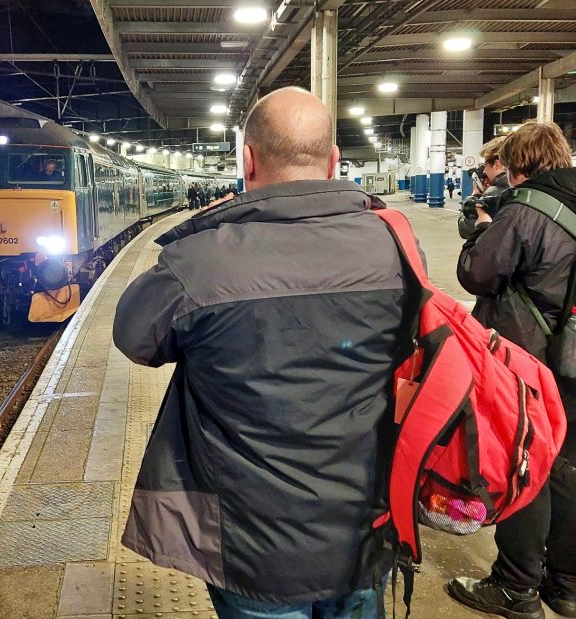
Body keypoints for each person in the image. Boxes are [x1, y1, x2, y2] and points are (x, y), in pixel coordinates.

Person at [113, 86, 410, 618]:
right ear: (334, 162)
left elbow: (135, 337)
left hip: (248, 544)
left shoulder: (202, 260)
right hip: (367, 525)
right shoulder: (395, 246)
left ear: (246, 160)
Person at [449, 121, 576, 619]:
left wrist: (484, 228)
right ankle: (566, 587)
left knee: (526, 472)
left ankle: (515, 587)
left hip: (534, 372)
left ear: (517, 164)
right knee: (574, 476)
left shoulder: (526, 210)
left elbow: (477, 273)